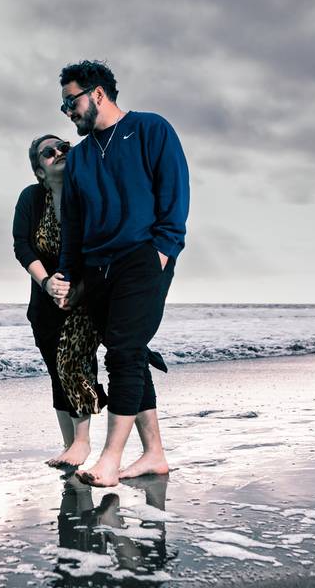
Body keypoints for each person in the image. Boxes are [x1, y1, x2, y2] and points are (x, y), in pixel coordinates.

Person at [56, 60, 190, 487]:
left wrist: (162, 253)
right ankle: (154, 454)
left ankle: (111, 460)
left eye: (71, 101)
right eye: (64, 106)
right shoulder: (78, 160)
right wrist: (68, 274)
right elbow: (73, 225)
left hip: (141, 257)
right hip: (97, 267)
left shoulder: (151, 129)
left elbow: (174, 193)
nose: (68, 112)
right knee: (127, 351)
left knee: (122, 353)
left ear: (97, 93)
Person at [13, 134, 107, 468]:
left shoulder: (89, 196)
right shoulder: (32, 198)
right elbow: (21, 246)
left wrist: (76, 289)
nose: (59, 154)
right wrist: (46, 281)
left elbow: (100, 250)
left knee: (75, 363)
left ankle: (83, 442)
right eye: (49, 153)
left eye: (64, 148)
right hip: (44, 302)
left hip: (84, 295)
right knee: (57, 372)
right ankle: (71, 446)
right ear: (39, 170)